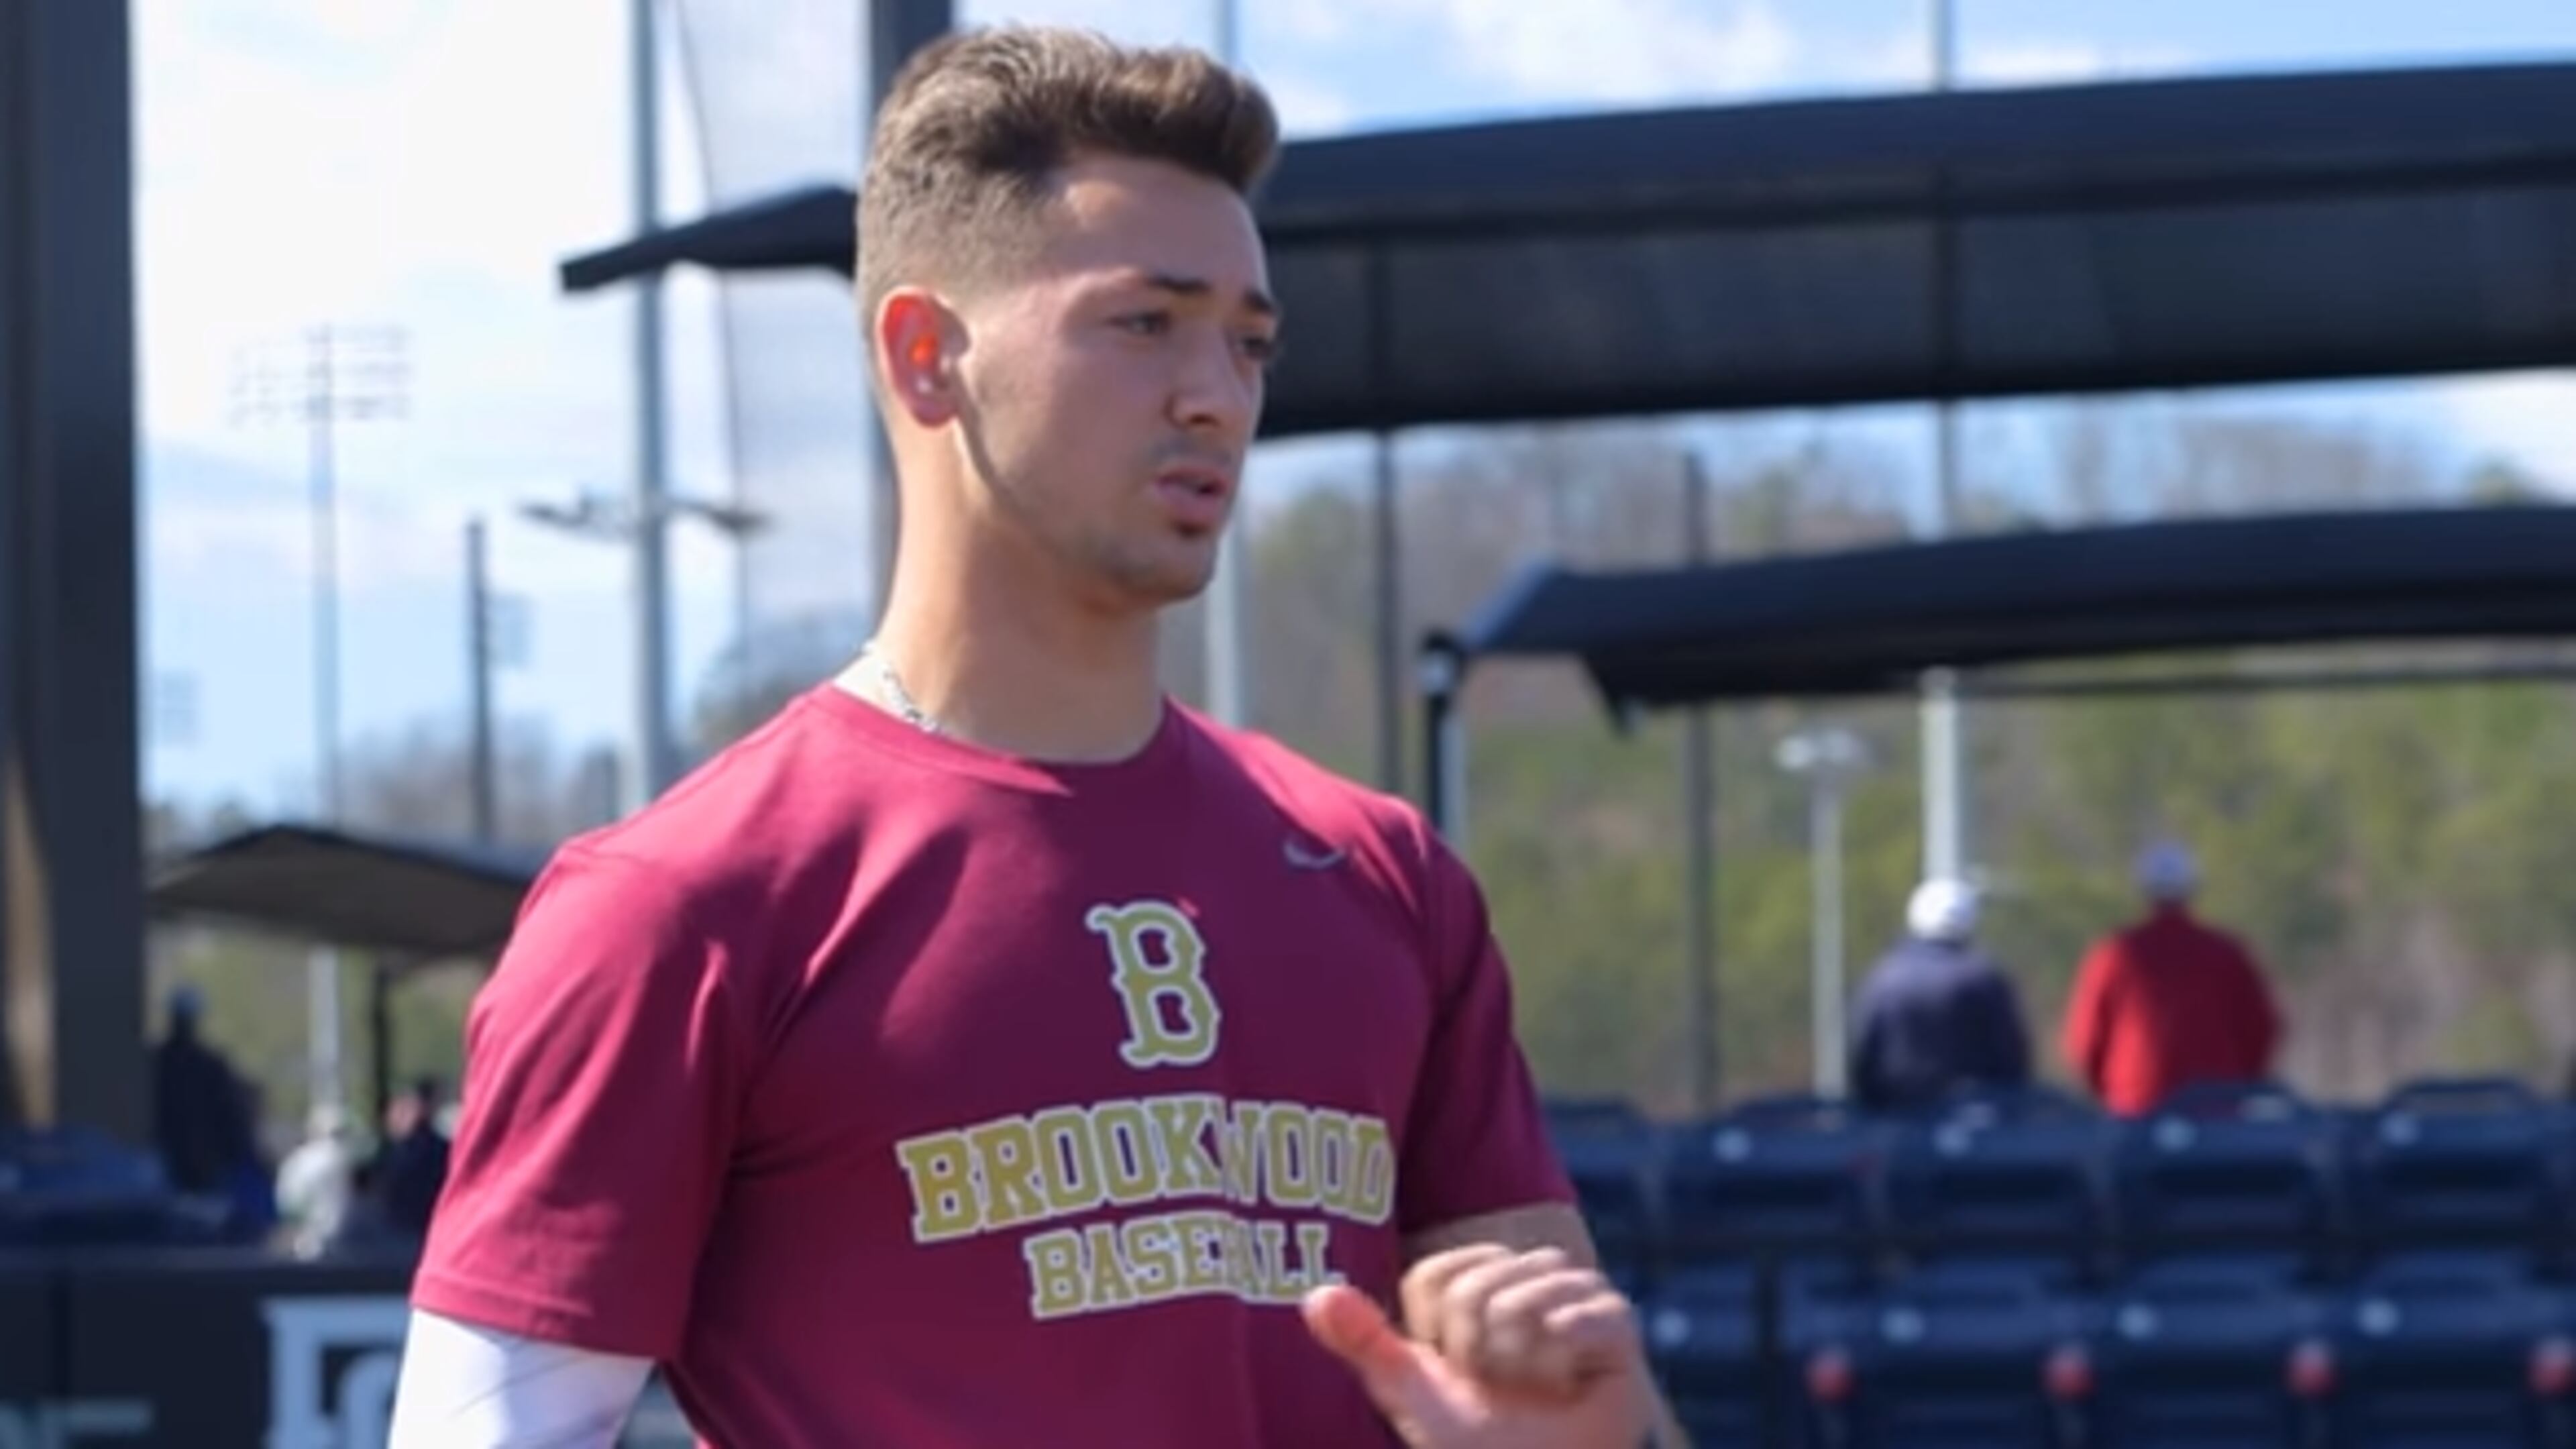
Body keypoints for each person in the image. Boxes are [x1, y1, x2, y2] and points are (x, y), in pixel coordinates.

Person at [388, 25, 1674, 1449]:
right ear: (928, 357)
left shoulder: (1382, 877)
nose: (1219, 395)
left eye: (1249, 342)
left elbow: (1571, 1413)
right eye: (1146, 322)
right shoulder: (679, 911)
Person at [2061, 841, 2284, 1115]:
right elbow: (2261, 1028)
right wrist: (2237, 1086)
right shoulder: (2225, 953)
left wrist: (2110, 1092)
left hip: (2135, 1115)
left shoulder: (2113, 956)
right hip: (2215, 1115)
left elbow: (2085, 1039)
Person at [1848, 878, 2035, 1113]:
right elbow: (2010, 1056)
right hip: (1973, 1125)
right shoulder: (1982, 978)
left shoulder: (1884, 978)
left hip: (1899, 1122)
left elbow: (1865, 1056)